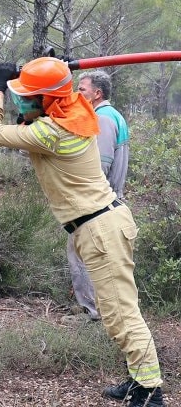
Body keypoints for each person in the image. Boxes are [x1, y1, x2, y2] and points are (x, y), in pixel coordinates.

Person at [0, 57, 167, 407]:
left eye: (28, 97)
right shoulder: (73, 109)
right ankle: (138, 381)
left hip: (100, 229)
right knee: (118, 313)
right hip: (100, 225)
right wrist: (51, 67)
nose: (22, 103)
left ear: (48, 100)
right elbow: (57, 92)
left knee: (121, 315)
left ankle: (151, 400)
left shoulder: (52, 132)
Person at [67, 70, 130, 321]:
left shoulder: (102, 118)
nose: (77, 93)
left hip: (95, 206)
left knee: (81, 255)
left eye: (82, 90)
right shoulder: (111, 115)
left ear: (97, 93)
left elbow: (100, 166)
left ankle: (90, 311)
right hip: (107, 204)